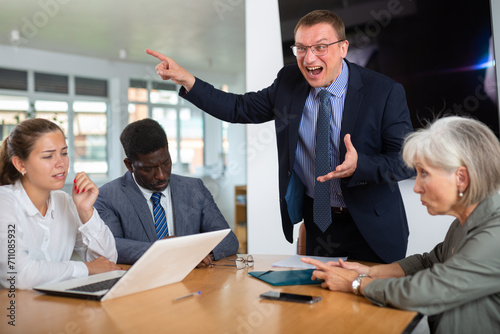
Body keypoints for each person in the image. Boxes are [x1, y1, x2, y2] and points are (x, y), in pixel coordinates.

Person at [145, 9, 414, 263]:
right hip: (321, 225)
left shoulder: (384, 92)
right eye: (301, 49)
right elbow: (239, 108)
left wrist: (361, 166)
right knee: (320, 309)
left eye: (320, 47)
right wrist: (187, 80)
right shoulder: (289, 82)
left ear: (343, 48)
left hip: (372, 228)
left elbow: (406, 162)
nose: (309, 59)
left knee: (374, 307)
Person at [302, 116, 500, 333]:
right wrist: (373, 272)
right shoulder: (467, 222)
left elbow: (431, 289)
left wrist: (356, 283)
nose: (416, 188)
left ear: (461, 178)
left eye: (424, 173)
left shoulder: (495, 233)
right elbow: (429, 262)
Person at [94, 118, 239, 266]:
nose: (161, 175)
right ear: (130, 165)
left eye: (166, 163)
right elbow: (111, 246)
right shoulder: (107, 196)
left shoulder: (195, 188)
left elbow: (228, 239)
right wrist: (164, 250)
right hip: (142, 283)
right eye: (149, 168)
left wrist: (200, 253)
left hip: (195, 282)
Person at [0, 118, 119, 290]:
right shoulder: (5, 203)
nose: (61, 164)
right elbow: (17, 274)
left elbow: (107, 262)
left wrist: (86, 211)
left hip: (57, 306)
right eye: (48, 156)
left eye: (64, 153)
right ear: (20, 164)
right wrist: (86, 269)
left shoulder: (63, 201)